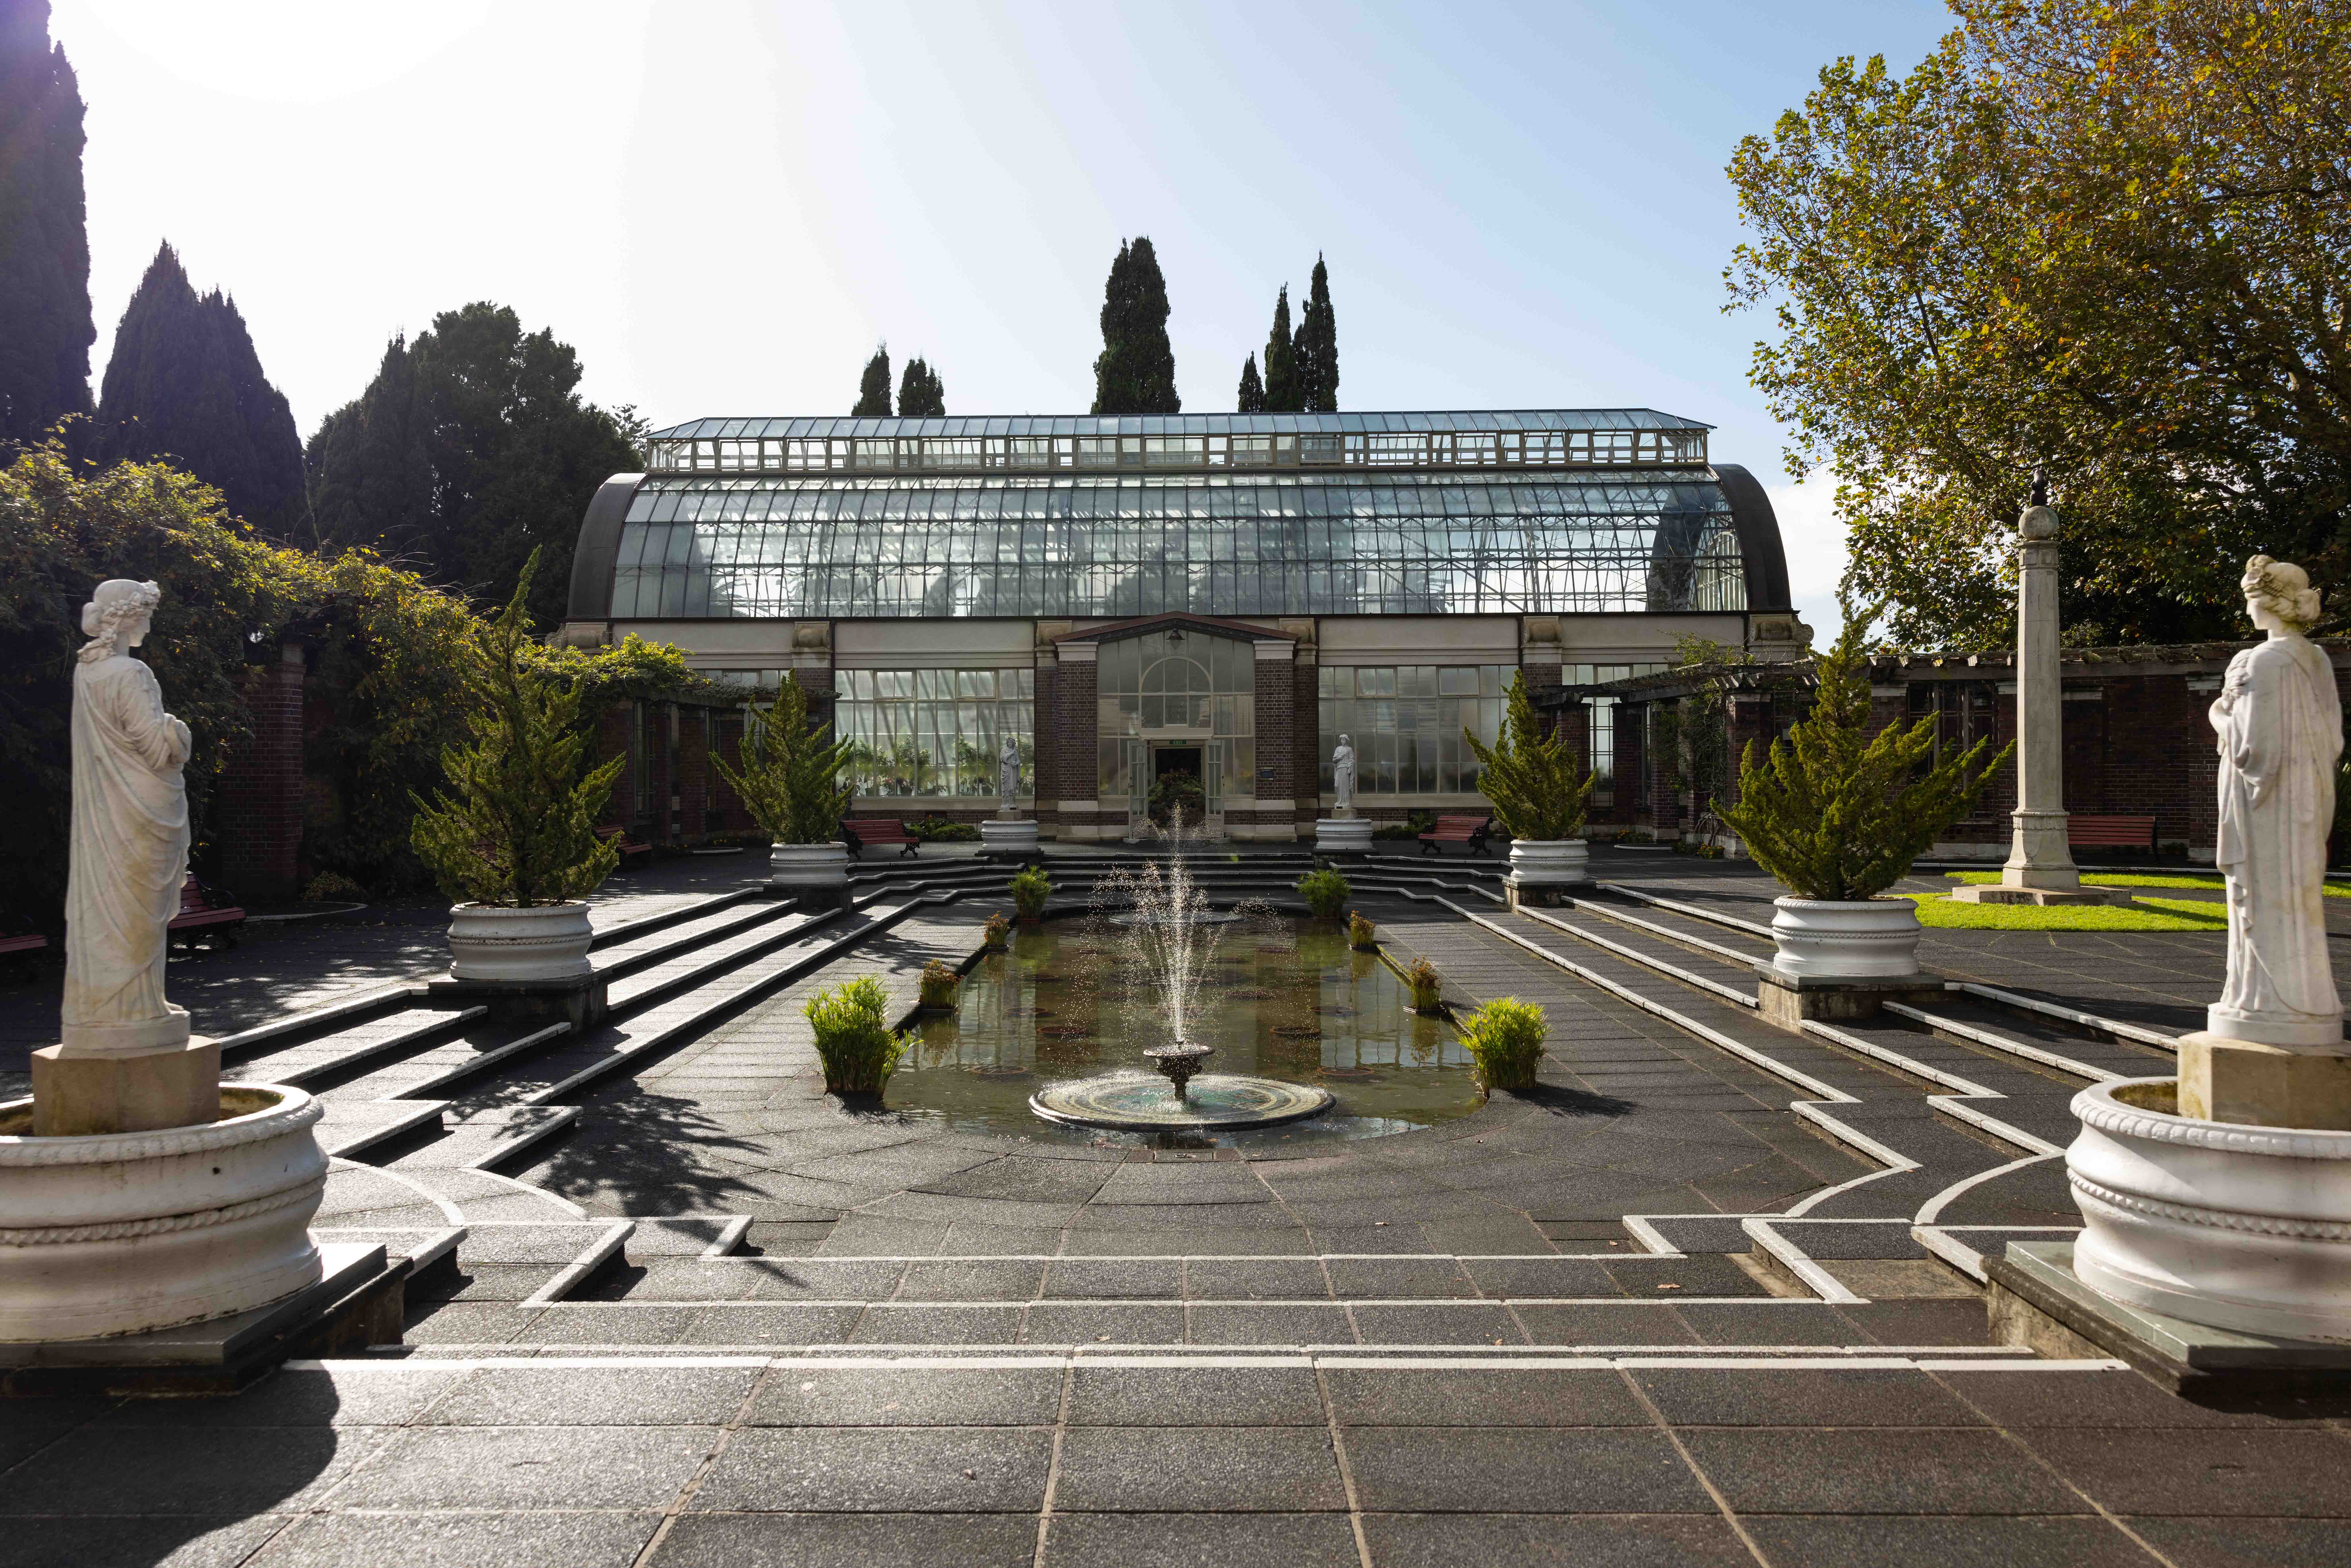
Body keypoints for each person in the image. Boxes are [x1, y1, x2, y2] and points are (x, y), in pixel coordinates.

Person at [2209, 556, 2343, 1045]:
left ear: (2265, 602)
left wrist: (2218, 716)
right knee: (2297, 904)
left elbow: (2252, 751)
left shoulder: (2264, 662)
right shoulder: (2316, 658)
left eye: (2249, 600)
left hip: (2267, 810)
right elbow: (2332, 739)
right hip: (2304, 806)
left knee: (2264, 905)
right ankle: (2306, 1001)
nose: (2247, 612)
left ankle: (2263, 1003)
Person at [62, 579, 193, 1054]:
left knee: (111, 902)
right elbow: (158, 749)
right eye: (147, 615)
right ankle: (135, 1009)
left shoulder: (88, 673)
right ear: (128, 618)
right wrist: (180, 733)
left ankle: (116, 1005)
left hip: (106, 807)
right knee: (138, 908)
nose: (150, 624)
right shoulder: (131, 673)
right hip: (142, 806)